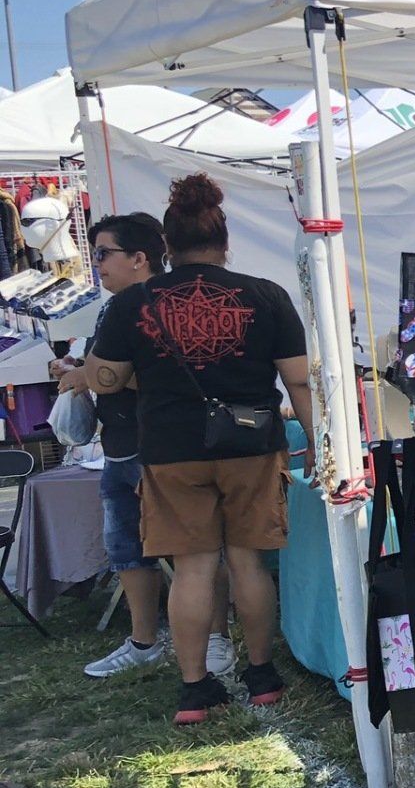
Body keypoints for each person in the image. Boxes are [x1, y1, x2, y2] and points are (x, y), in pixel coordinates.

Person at [87, 174, 314, 725]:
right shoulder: (266, 294)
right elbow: (299, 380)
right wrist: (319, 442)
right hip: (251, 446)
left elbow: (106, 379)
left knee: (192, 569)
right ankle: (261, 675)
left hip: (171, 451)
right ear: (224, 240)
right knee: (247, 563)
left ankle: (194, 690)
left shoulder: (133, 303)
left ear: (166, 245)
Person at [59, 214, 238, 679]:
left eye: (104, 253)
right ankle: (143, 641)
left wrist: (92, 376)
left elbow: (176, 379)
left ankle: (216, 637)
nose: (97, 264)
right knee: (127, 550)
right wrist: (80, 368)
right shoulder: (113, 308)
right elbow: (106, 368)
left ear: (140, 258)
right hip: (118, 446)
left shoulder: (165, 305)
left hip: (164, 448)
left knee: (195, 551)